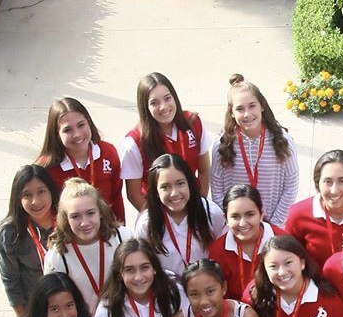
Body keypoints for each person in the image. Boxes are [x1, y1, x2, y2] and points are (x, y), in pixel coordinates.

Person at [210, 75, 299, 227]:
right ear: (231, 112)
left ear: (262, 106)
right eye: (239, 109)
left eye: (252, 106)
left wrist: (274, 223)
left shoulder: (283, 141)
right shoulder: (222, 145)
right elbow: (217, 188)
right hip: (238, 226)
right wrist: (231, 220)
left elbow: (291, 185)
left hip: (272, 224)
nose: (247, 114)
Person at [120, 72, 211, 212]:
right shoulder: (134, 142)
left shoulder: (193, 122)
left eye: (167, 98)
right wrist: (159, 222)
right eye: (154, 103)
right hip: (159, 214)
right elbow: (134, 194)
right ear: (145, 107)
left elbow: (204, 170)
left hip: (193, 208)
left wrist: (199, 207)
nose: (163, 107)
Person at [44, 178, 131, 315]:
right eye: (75, 216)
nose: (84, 223)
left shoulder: (123, 238)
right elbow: (53, 302)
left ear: (101, 211)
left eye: (91, 213)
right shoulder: (58, 256)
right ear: (65, 218)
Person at [134, 153, 226, 277]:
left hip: (205, 290)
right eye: (165, 187)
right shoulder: (146, 223)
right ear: (156, 191)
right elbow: (143, 263)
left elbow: (224, 254)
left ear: (190, 183)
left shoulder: (211, 213)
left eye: (180, 183)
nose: (174, 193)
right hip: (168, 292)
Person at [36, 96, 124, 222]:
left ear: (88, 121)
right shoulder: (45, 168)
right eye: (67, 130)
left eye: (81, 125)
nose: (77, 134)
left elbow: (116, 197)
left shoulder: (108, 152)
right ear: (56, 134)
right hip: (68, 237)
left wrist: (121, 232)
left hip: (107, 231)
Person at [0, 164, 59, 317]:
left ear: (51, 190)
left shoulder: (68, 220)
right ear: (18, 199)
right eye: (27, 195)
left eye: (41, 192)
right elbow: (10, 280)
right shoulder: (9, 233)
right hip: (36, 312)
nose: (35, 201)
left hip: (72, 309)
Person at [207, 184, 282, 300]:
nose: (242, 223)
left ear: (261, 214)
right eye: (235, 217)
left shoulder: (283, 241)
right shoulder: (217, 251)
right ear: (225, 219)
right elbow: (220, 296)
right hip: (237, 314)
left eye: (250, 215)